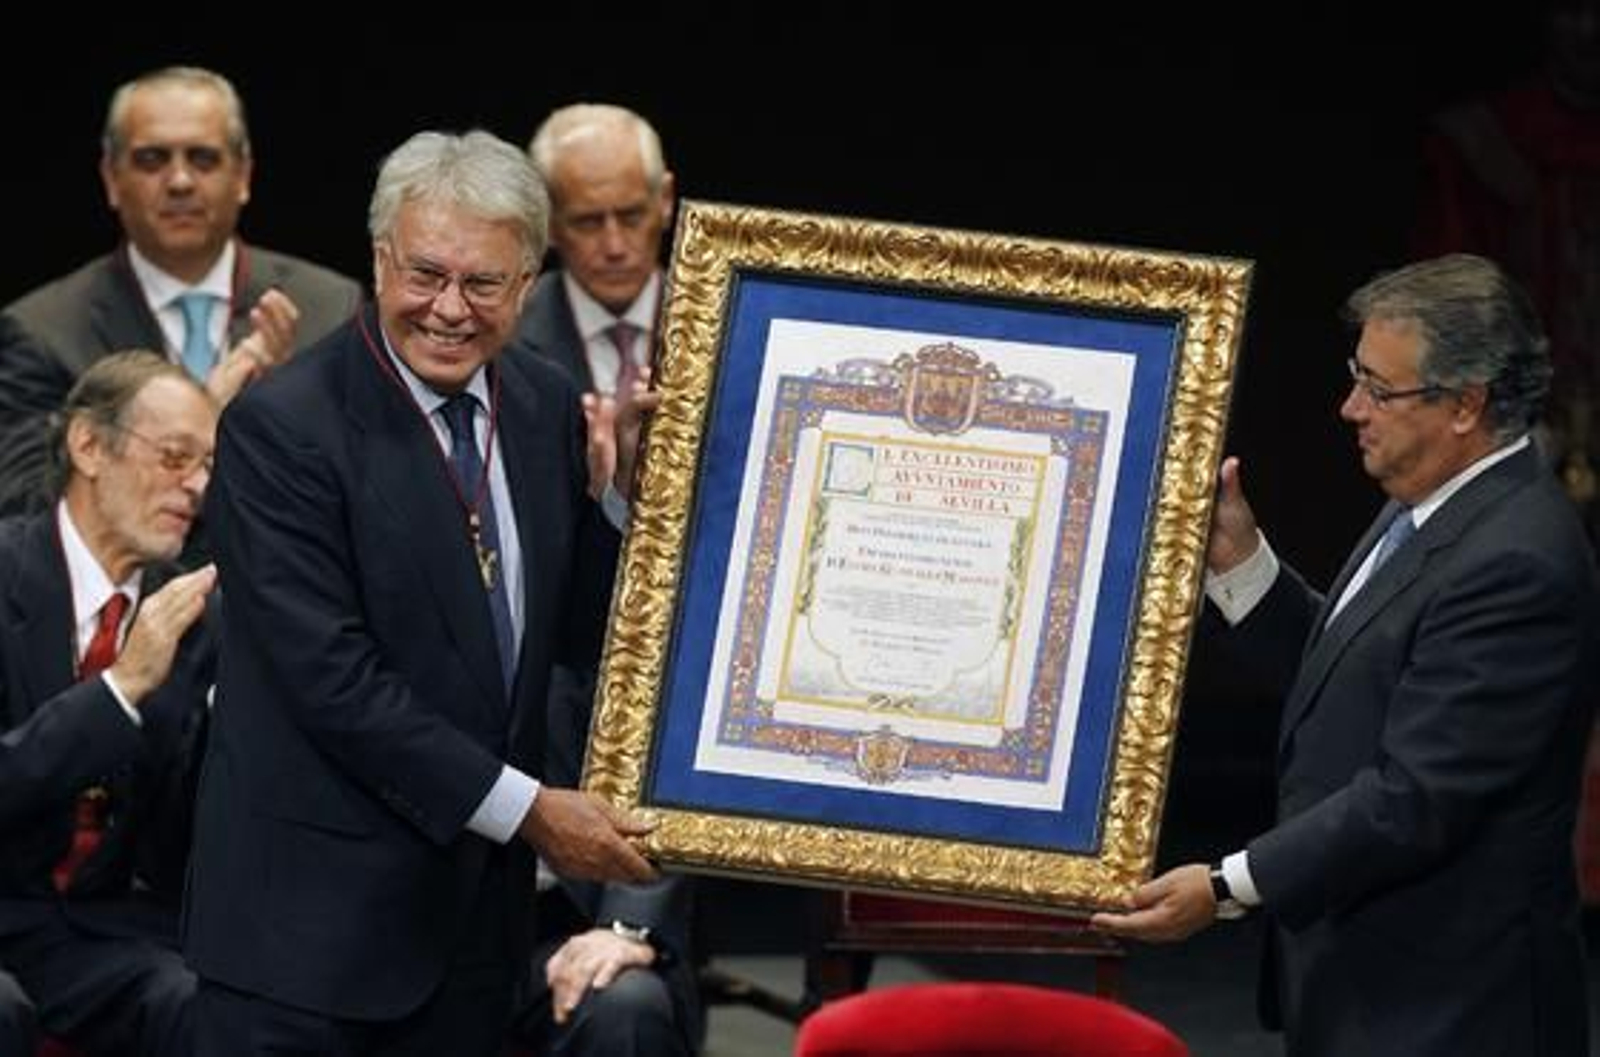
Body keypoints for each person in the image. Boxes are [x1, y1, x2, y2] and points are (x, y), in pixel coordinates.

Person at [182, 129, 658, 1057]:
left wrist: (629, 500)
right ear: (379, 257)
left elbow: (579, 628)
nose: (449, 309)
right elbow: (334, 683)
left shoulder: (542, 402)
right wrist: (533, 811)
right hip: (304, 955)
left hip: (471, 942)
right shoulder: (284, 429)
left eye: (483, 284)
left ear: (529, 282)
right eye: (425, 274)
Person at [1091, 254, 1599, 1057]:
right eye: (1354, 375)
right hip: (1371, 992)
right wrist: (1241, 561)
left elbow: (1414, 798)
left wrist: (1228, 885)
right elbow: (1353, 674)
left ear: (1465, 403)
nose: (1349, 407)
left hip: (1452, 1014)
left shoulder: (1518, 560)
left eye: (1379, 388)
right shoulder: (1434, 504)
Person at [507, 102, 701, 1057]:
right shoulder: (493, 341)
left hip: (704, 684)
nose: (617, 242)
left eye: (633, 213)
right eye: (587, 221)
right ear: (546, 220)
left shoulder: (742, 319)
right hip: (537, 689)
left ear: (667, 200)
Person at [0, 65, 363, 520]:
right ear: (112, 179)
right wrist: (202, 418)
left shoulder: (329, 307)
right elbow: (25, 511)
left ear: (244, 175)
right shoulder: (44, 331)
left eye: (203, 158)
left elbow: (366, 481)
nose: (180, 181)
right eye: (152, 159)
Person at [0, 350, 220, 1057]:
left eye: (209, 466)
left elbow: (176, 839)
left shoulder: (191, 614)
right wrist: (120, 691)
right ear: (89, 445)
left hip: (102, 925)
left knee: (215, 999)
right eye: (176, 456)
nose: (196, 486)